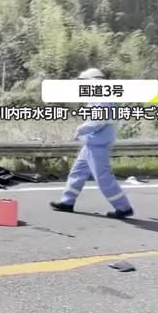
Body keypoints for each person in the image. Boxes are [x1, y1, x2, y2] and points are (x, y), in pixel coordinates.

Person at [50, 68, 134, 219]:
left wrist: (80, 130)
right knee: (77, 172)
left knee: (103, 177)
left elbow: (98, 121)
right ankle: (67, 202)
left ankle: (123, 207)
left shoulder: (103, 97)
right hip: (92, 142)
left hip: (98, 144)